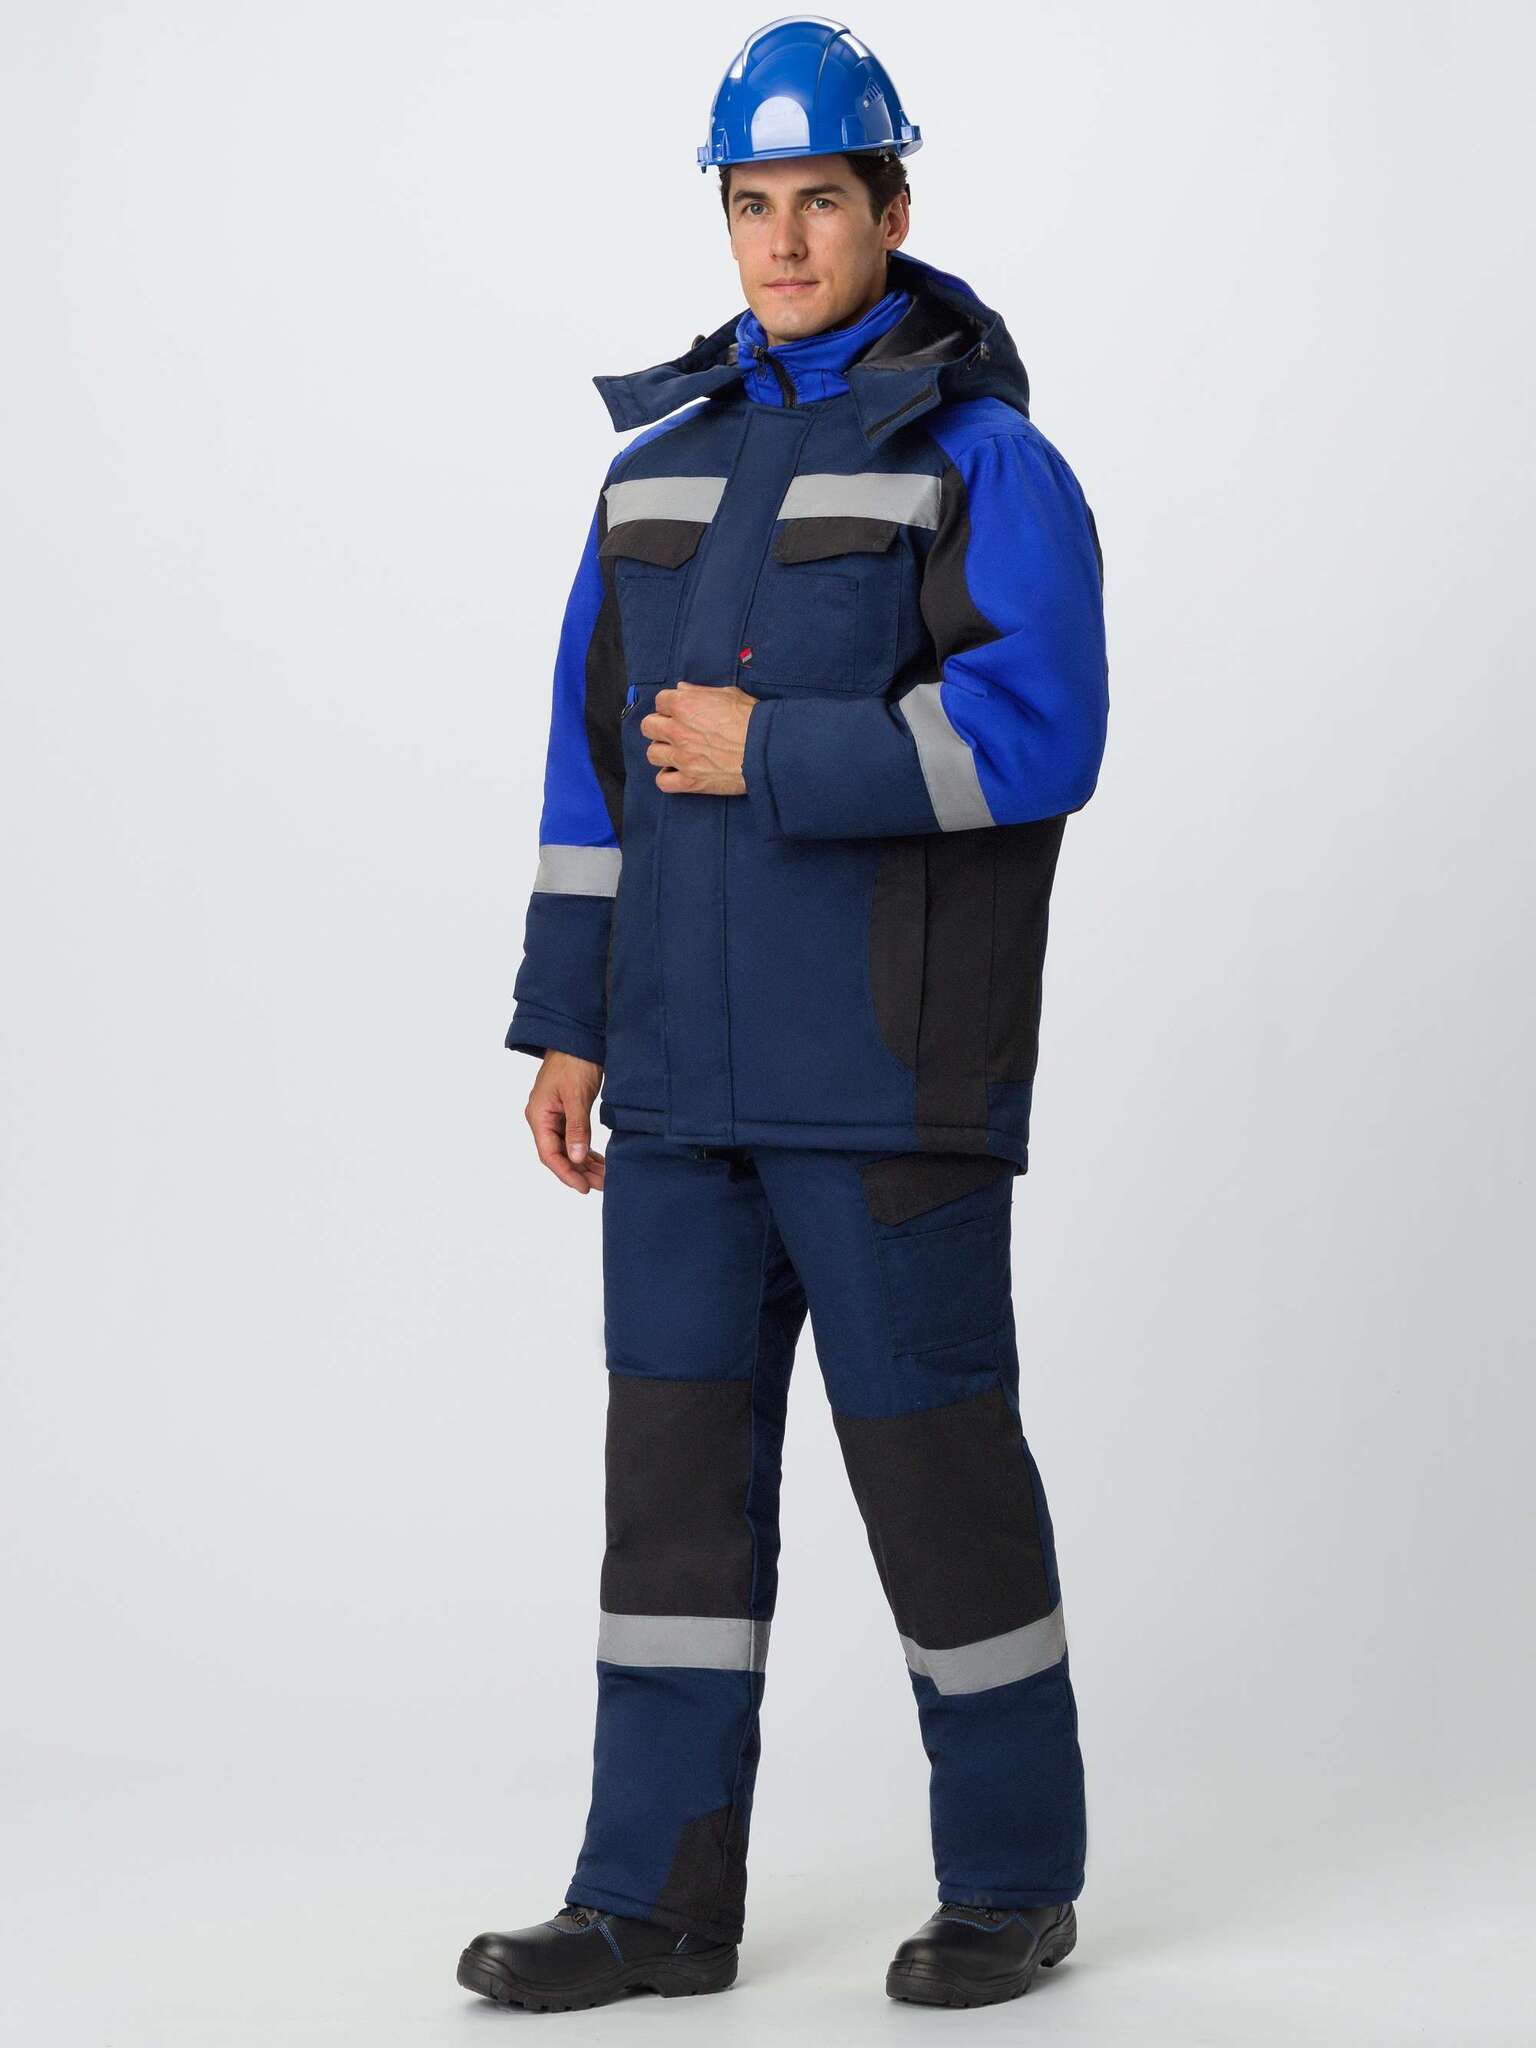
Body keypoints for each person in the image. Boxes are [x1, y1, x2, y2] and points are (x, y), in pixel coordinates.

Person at [458, 13, 1109, 2014]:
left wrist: (781, 748)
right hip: (676, 1083)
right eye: (755, 203)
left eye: (822, 198)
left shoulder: (982, 460)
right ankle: (650, 1902)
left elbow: (1042, 733)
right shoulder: (652, 472)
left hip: (888, 1077)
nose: (786, 238)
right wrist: (570, 1022)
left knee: (938, 1481)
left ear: (892, 209)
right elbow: (593, 776)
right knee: (666, 1507)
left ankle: (1013, 1880)